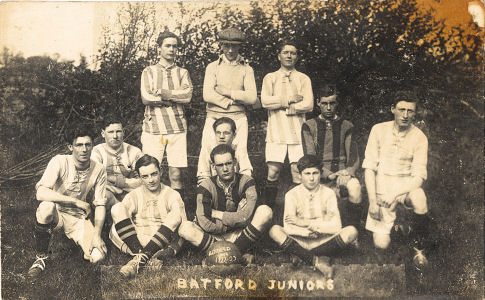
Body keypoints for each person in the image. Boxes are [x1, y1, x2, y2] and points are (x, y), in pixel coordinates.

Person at [27, 125, 108, 277]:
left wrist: (97, 234)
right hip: (57, 213)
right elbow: (41, 192)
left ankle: (81, 242)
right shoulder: (59, 161)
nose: (84, 149)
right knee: (46, 207)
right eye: (79, 145)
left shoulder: (99, 169)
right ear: (71, 147)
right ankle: (41, 257)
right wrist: (75, 201)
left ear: (92, 146)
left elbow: (101, 204)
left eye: (88, 144)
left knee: (98, 256)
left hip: (77, 217)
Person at [363, 90, 430, 270]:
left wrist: (395, 194)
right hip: (381, 192)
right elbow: (369, 168)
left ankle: (419, 248)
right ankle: (399, 229)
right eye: (401, 109)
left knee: (420, 197)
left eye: (410, 111)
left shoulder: (419, 137)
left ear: (415, 113)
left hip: (404, 190)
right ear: (392, 109)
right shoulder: (378, 130)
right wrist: (372, 202)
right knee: (381, 244)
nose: (405, 115)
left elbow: (419, 177)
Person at [269, 155, 358, 279]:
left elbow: (336, 226)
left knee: (351, 232)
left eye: (315, 173)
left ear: (321, 174)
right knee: (275, 231)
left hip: (322, 239)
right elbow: (289, 227)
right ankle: (317, 261)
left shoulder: (329, 193)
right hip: (300, 240)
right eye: (307, 173)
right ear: (300, 175)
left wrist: (307, 224)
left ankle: (301, 256)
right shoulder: (291, 195)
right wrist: (307, 233)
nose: (311, 178)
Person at [178, 144, 272, 263]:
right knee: (185, 228)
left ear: (235, 162)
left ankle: (222, 254)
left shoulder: (247, 182)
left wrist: (218, 214)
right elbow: (204, 223)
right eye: (220, 165)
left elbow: (246, 217)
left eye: (228, 163)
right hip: (214, 236)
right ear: (213, 167)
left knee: (265, 211)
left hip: (240, 234)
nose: (225, 169)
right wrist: (236, 220)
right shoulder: (205, 186)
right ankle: (238, 253)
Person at [109, 154, 187, 278]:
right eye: (145, 176)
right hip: (137, 240)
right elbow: (118, 224)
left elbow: (183, 228)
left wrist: (170, 250)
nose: (151, 180)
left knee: (176, 216)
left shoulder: (172, 194)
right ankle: (144, 256)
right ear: (139, 177)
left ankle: (137, 260)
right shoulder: (134, 195)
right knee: (117, 208)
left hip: (162, 240)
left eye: (154, 174)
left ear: (161, 171)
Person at [260, 40, 313, 214]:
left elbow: (309, 105)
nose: (289, 55)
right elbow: (265, 101)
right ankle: (268, 213)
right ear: (279, 56)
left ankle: (299, 212)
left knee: (297, 172)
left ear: (297, 57)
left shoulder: (303, 78)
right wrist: (289, 99)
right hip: (276, 132)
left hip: (297, 132)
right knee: (273, 171)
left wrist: (289, 109)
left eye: (293, 53)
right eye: (285, 52)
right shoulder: (271, 77)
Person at [140, 30, 193, 201]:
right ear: (159, 48)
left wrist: (163, 93)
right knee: (149, 172)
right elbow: (146, 97)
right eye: (167, 45)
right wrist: (172, 98)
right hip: (153, 128)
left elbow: (187, 96)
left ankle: (178, 211)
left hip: (176, 128)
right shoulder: (149, 71)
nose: (171, 49)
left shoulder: (182, 72)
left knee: (176, 174)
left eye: (175, 46)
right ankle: (149, 210)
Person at [199, 27, 257, 180]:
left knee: (240, 152)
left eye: (234, 46)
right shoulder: (212, 67)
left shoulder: (247, 69)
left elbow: (252, 98)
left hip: (238, 118)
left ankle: (242, 189)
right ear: (221, 45)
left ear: (240, 46)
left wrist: (227, 92)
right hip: (213, 117)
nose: (230, 50)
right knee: (208, 151)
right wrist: (233, 101)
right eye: (226, 45)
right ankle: (207, 191)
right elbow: (207, 94)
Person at [301, 84, 362, 227]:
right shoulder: (309, 126)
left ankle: (352, 231)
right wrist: (329, 175)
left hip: (343, 174)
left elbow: (353, 157)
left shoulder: (347, 126)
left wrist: (347, 173)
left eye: (332, 103)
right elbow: (310, 158)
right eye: (324, 103)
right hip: (319, 176)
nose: (328, 107)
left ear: (337, 103)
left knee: (355, 187)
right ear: (318, 103)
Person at [91, 116, 143, 208]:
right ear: (103, 133)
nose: (115, 136)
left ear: (123, 132)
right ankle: (121, 210)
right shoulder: (96, 151)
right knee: (103, 195)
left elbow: (142, 181)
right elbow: (95, 178)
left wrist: (112, 180)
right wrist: (125, 182)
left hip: (131, 194)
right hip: (107, 193)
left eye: (118, 131)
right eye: (110, 132)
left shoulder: (134, 151)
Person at [197, 117, 253, 185]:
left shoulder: (238, 149)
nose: (221, 136)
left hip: (235, 187)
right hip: (214, 188)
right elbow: (203, 176)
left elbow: (246, 173)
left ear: (234, 135)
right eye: (218, 133)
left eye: (226, 133)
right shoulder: (208, 150)